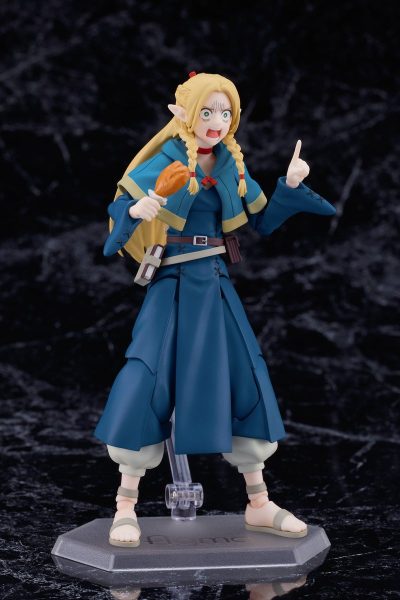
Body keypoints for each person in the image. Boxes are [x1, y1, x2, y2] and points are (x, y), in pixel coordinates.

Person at [94, 72, 336, 547]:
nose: (217, 121)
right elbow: (117, 225)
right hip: (172, 283)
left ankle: (259, 503)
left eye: (226, 113)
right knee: (147, 377)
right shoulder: (164, 161)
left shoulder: (231, 165)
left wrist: (289, 184)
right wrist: (140, 209)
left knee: (245, 375)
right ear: (182, 113)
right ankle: (125, 506)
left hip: (216, 281)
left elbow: (261, 222)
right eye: (207, 111)